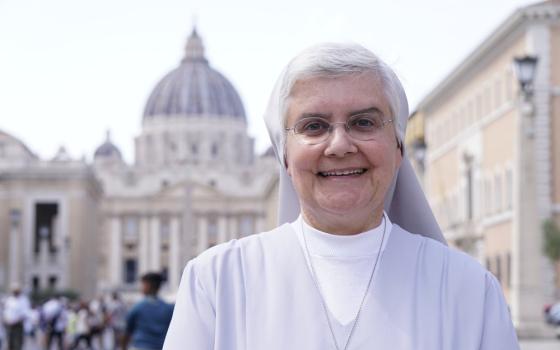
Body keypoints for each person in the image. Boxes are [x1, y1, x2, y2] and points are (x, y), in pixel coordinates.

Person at [163, 43, 519, 349]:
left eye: (363, 122)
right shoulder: (214, 281)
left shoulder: (471, 290)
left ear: (398, 148)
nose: (339, 145)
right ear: (285, 155)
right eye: (314, 126)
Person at [123, 272, 173, 350]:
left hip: (141, 346)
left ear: (147, 285)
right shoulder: (169, 308)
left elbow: (127, 331)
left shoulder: (138, 307)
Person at [2, 285, 30, 350]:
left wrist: (17, 320)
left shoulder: (23, 300)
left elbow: (25, 313)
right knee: (9, 343)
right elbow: (6, 311)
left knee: (17, 344)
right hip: (8, 324)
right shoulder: (9, 299)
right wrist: (5, 319)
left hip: (18, 325)